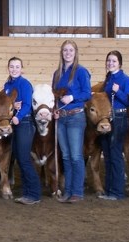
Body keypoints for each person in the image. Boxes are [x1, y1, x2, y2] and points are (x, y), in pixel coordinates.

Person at [52, 40, 92, 204]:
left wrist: (73, 97)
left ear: (75, 53)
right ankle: (68, 190)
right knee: (66, 156)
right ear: (61, 53)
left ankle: (77, 191)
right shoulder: (57, 73)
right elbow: (54, 94)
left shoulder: (81, 72)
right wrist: (55, 109)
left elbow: (87, 93)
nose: (67, 53)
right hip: (61, 117)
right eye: (65, 50)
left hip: (76, 116)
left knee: (76, 156)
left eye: (70, 50)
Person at [2, 57, 41, 205]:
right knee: (19, 158)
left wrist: (18, 116)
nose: (14, 69)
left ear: (22, 69)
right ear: (8, 68)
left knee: (24, 159)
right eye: (12, 66)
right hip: (14, 124)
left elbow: (26, 105)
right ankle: (27, 193)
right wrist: (12, 104)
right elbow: (5, 103)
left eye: (17, 67)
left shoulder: (24, 84)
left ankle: (34, 193)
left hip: (24, 123)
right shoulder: (7, 85)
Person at [98, 51, 129, 201]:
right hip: (107, 118)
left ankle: (117, 191)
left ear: (119, 63)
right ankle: (109, 189)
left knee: (115, 154)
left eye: (113, 61)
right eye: (109, 61)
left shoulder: (127, 80)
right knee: (107, 154)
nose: (110, 63)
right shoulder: (107, 81)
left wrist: (118, 91)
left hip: (119, 117)